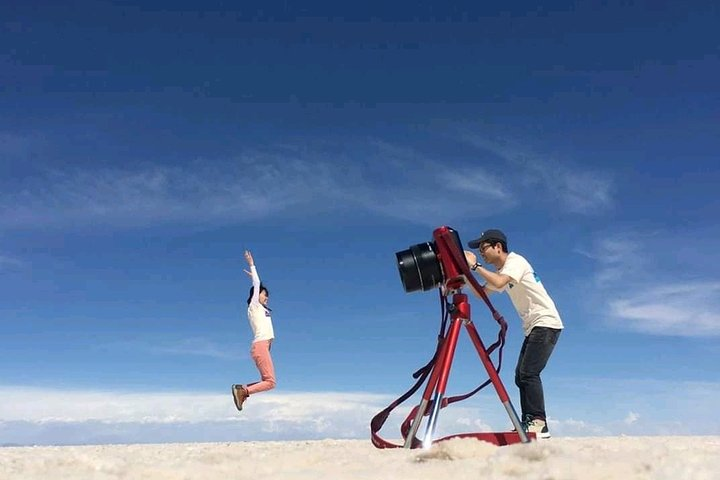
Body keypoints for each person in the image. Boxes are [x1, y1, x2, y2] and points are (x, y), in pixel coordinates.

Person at [463, 229, 563, 439]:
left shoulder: (515, 262)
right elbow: (482, 294)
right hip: (534, 327)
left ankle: (539, 423)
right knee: (520, 376)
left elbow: (499, 283)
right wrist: (463, 274)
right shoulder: (503, 272)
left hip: (546, 323)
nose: (481, 253)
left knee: (528, 373)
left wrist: (474, 265)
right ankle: (530, 423)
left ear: (498, 247)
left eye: (484, 248)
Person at [232, 249, 276, 411]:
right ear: (256, 295)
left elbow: (258, 285)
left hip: (263, 347)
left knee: (268, 380)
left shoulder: (262, 309)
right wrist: (252, 266)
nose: (267, 297)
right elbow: (257, 285)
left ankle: (241, 389)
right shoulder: (254, 306)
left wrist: (256, 282)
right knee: (270, 382)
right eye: (265, 295)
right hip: (260, 346)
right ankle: (243, 391)